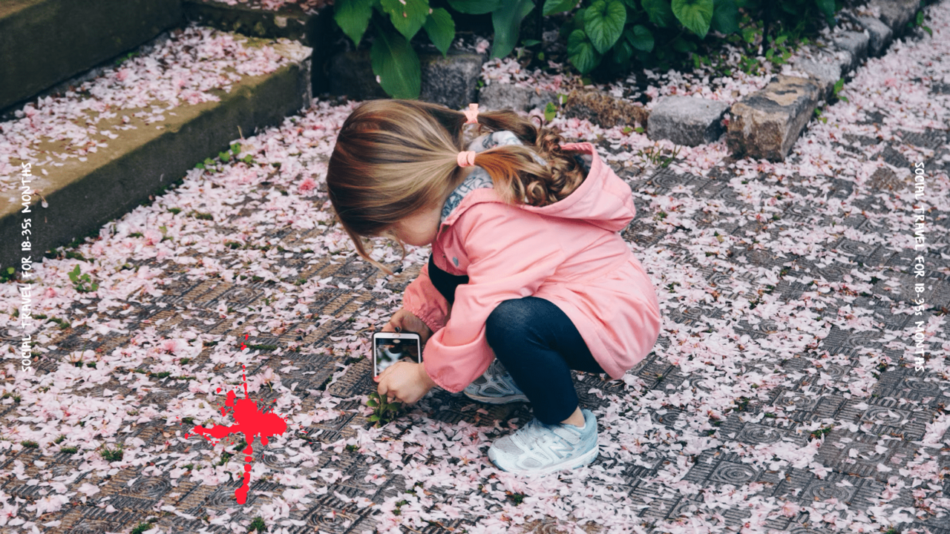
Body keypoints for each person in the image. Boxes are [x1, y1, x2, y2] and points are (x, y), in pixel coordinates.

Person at [325, 100, 661, 476]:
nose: (395, 238)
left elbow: (482, 304)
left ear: (418, 194)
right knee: (493, 306)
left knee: (509, 322)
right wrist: (421, 316)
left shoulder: (490, 214)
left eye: (391, 228)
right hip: (575, 303)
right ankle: (525, 374)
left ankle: (569, 428)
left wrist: (425, 375)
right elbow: (446, 268)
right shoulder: (459, 193)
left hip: (611, 316)